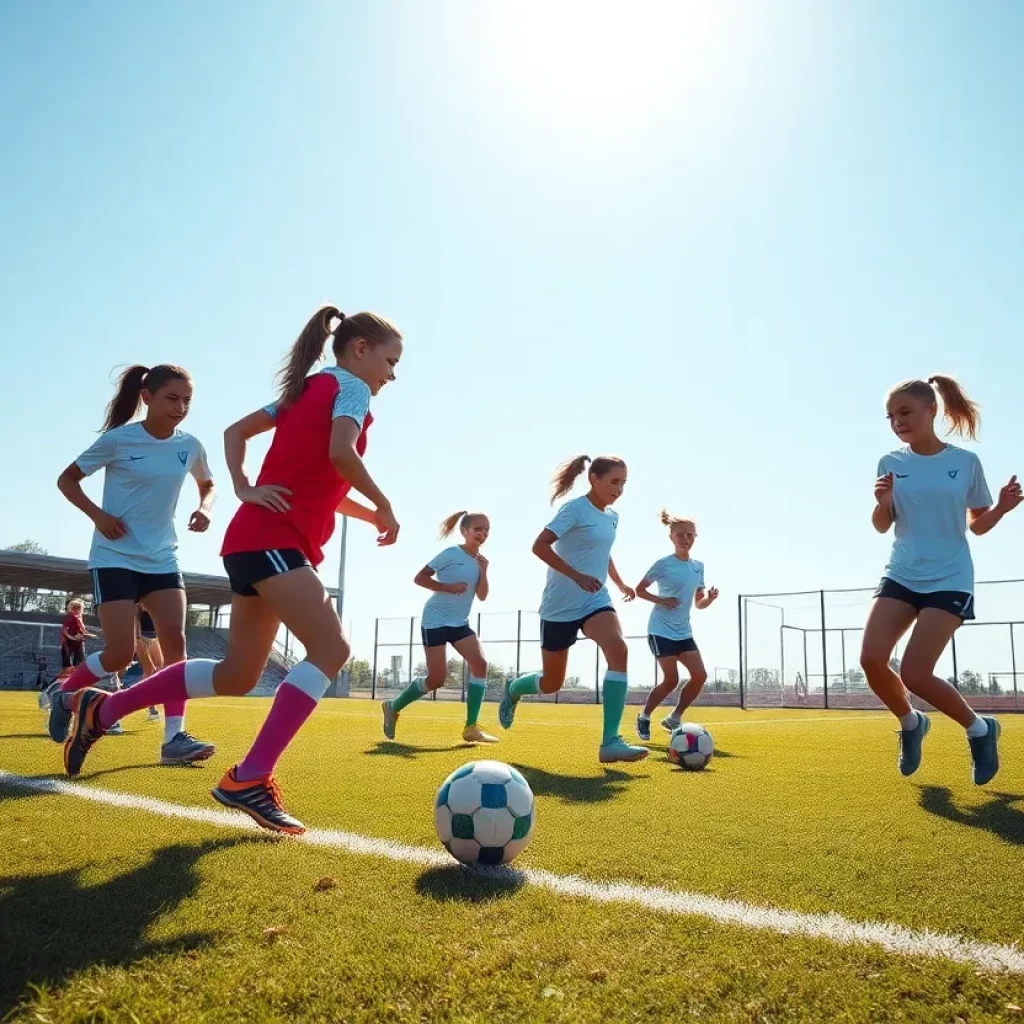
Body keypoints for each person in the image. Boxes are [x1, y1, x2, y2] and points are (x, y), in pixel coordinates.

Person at [62, 306, 403, 835]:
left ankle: (100, 711)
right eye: (390, 360)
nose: (392, 374)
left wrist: (248, 488)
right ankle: (250, 776)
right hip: (272, 543)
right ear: (360, 350)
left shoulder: (306, 390)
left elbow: (249, 439)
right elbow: (341, 455)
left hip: (254, 542)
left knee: (238, 674)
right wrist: (384, 501)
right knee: (332, 649)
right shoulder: (352, 389)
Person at [50, 364, 217, 766]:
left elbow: (207, 483)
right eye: (171, 399)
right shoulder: (119, 440)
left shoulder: (190, 445)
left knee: (175, 645)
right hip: (115, 558)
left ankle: (174, 739)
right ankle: (63, 695)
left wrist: (205, 508)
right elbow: (67, 480)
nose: (180, 408)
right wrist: (98, 516)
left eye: (186, 401)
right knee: (121, 653)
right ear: (147, 397)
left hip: (162, 558)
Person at [860, 375, 1021, 784]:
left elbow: (978, 526)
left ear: (932, 409)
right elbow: (882, 525)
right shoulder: (890, 463)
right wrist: (882, 503)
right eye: (891, 416)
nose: (897, 421)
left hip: (950, 578)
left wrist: (1001, 507)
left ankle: (981, 730)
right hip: (901, 573)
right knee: (871, 660)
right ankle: (911, 722)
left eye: (905, 412)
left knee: (915, 673)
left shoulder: (964, 463)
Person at [498, 455, 647, 763]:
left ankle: (610, 743)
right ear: (594, 478)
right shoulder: (574, 509)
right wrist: (576, 576)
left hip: (595, 600)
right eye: (613, 482)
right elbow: (539, 545)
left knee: (618, 650)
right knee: (552, 683)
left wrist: (618, 583)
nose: (619, 489)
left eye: (623, 483)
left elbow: (603, 552)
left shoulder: (612, 517)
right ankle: (514, 688)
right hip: (559, 605)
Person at [383, 511, 496, 744]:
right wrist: (447, 587)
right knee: (436, 680)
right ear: (464, 531)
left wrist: (484, 571)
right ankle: (392, 707)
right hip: (435, 620)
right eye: (478, 529)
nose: (483, 533)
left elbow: (482, 596)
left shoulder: (480, 561)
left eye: (486, 529)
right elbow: (420, 578)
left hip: (459, 623)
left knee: (480, 664)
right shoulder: (451, 553)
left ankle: (471, 727)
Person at [634, 511, 718, 741]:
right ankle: (644, 717)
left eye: (690, 534)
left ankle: (675, 718)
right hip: (660, 629)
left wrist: (708, 600)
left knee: (699, 676)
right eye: (680, 534)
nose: (685, 538)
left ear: (695, 537)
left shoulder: (698, 567)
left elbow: (698, 603)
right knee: (671, 679)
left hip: (683, 631)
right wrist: (661, 600)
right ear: (671, 537)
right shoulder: (662, 565)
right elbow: (639, 590)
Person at [135, 606, 163, 722]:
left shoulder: (155, 606)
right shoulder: (138, 609)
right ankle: (150, 705)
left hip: (155, 638)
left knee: (160, 668)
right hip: (142, 638)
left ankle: (146, 697)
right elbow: (136, 624)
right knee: (149, 670)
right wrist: (139, 639)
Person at [59, 599, 92, 670]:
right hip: (69, 641)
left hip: (78, 641)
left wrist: (87, 634)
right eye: (75, 608)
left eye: (79, 608)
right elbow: (64, 630)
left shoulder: (79, 617)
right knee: (69, 662)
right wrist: (72, 637)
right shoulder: (71, 617)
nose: (78, 610)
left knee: (78, 660)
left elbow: (82, 629)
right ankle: (69, 673)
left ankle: (73, 672)